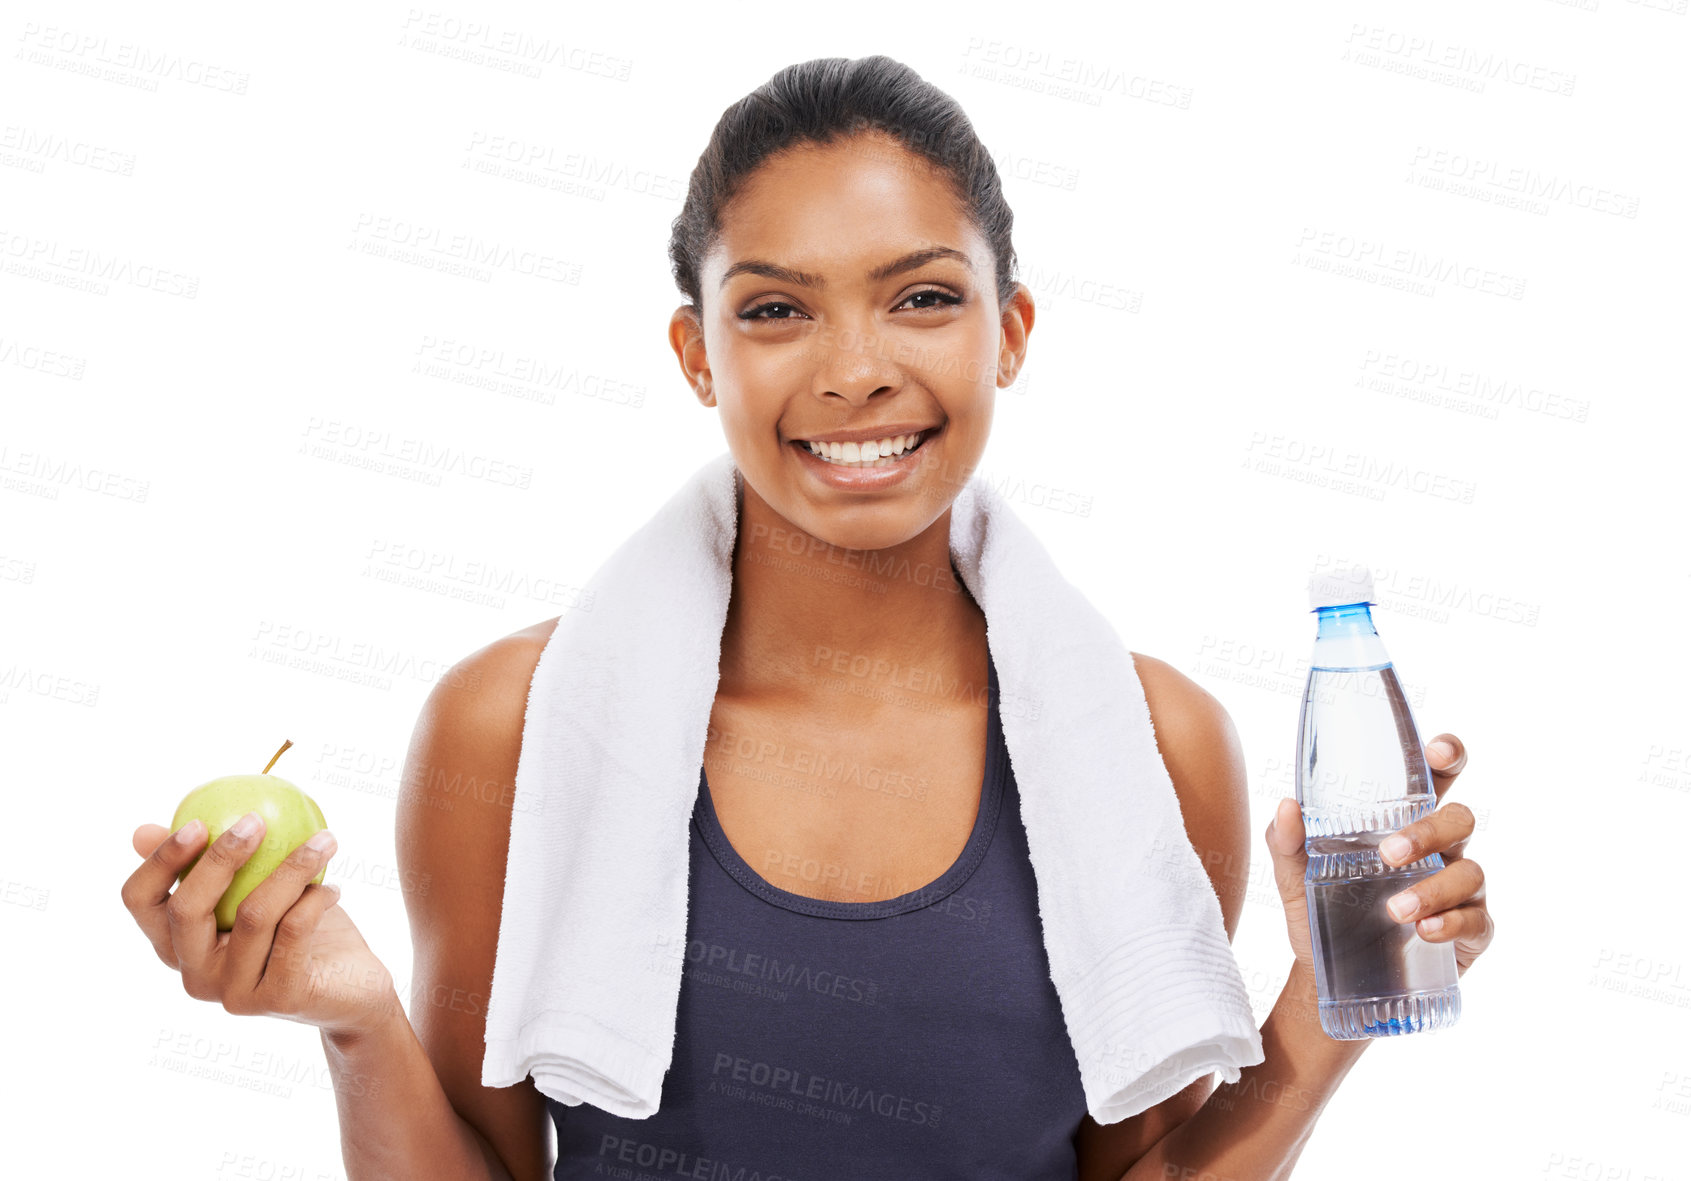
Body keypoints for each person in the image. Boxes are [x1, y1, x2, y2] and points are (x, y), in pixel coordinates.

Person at [121, 55, 1494, 1180]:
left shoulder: (1148, 740)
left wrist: (1333, 1000)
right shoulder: (517, 724)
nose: (855, 371)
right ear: (694, 351)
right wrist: (357, 1022)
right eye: (776, 308)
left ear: (1009, 331)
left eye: (923, 299)